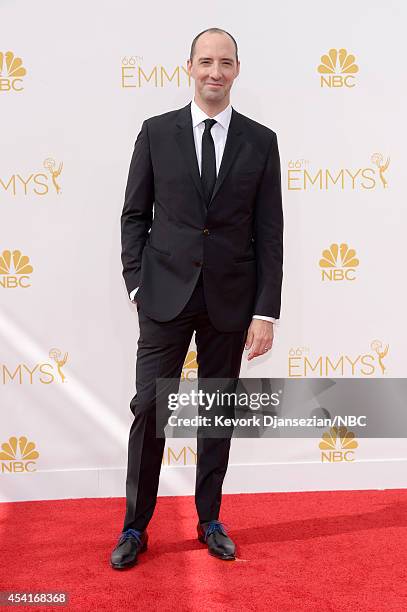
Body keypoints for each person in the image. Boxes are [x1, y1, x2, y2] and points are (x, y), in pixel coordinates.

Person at [111, 27, 283, 569]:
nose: (215, 71)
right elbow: (135, 214)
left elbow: (269, 231)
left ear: (237, 70)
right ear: (188, 66)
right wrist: (138, 281)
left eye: (225, 62)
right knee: (150, 409)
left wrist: (264, 310)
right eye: (205, 61)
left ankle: (210, 519)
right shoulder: (156, 132)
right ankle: (135, 527)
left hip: (230, 301)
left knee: (217, 414)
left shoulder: (261, 141)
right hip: (164, 295)